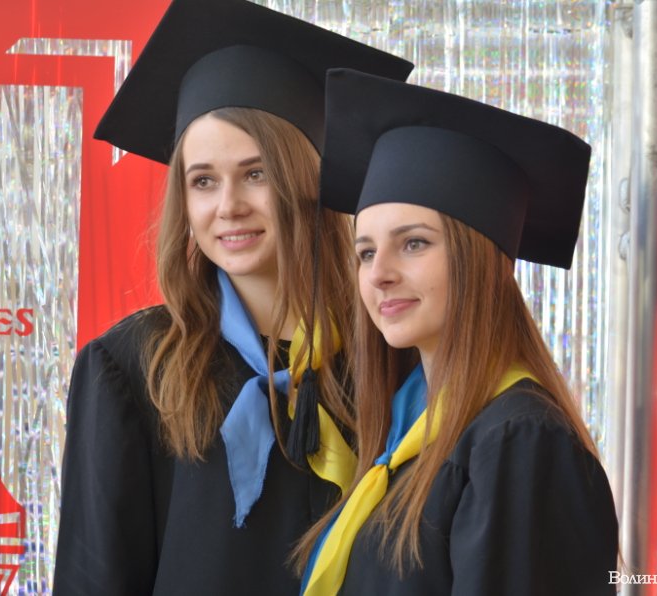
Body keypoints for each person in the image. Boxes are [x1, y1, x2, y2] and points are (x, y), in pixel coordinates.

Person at [52, 2, 412, 594]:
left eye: (256, 173)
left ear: (308, 179)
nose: (229, 207)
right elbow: (96, 579)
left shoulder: (391, 356)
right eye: (203, 181)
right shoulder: (135, 369)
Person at [297, 69, 619, 595]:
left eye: (414, 243)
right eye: (366, 252)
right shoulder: (405, 433)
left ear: (481, 261)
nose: (378, 274)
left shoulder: (520, 440)